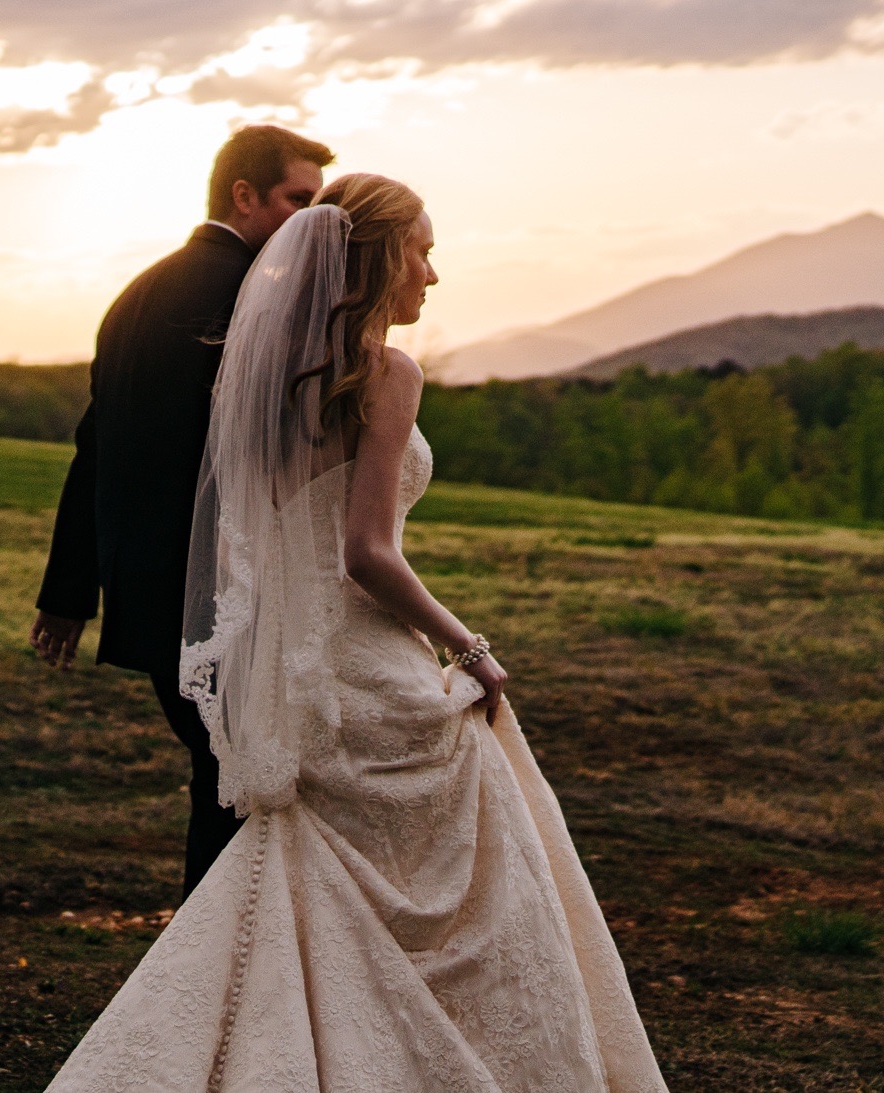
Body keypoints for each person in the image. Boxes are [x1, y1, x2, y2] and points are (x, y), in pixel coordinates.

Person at [45, 175, 667, 1092]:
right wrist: (468, 645)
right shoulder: (387, 375)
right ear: (378, 257)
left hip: (303, 664)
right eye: (422, 249)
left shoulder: (266, 376)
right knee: (467, 863)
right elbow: (367, 551)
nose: (434, 273)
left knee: (301, 878)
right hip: (367, 658)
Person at [31, 124, 335, 900]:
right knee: (238, 778)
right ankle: (222, 962)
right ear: (246, 195)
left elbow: (94, 449)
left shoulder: (134, 294)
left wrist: (69, 592)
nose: (311, 219)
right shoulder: (254, 297)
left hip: (144, 591)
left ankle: (223, 959)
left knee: (221, 773)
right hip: (220, 587)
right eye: (299, 200)